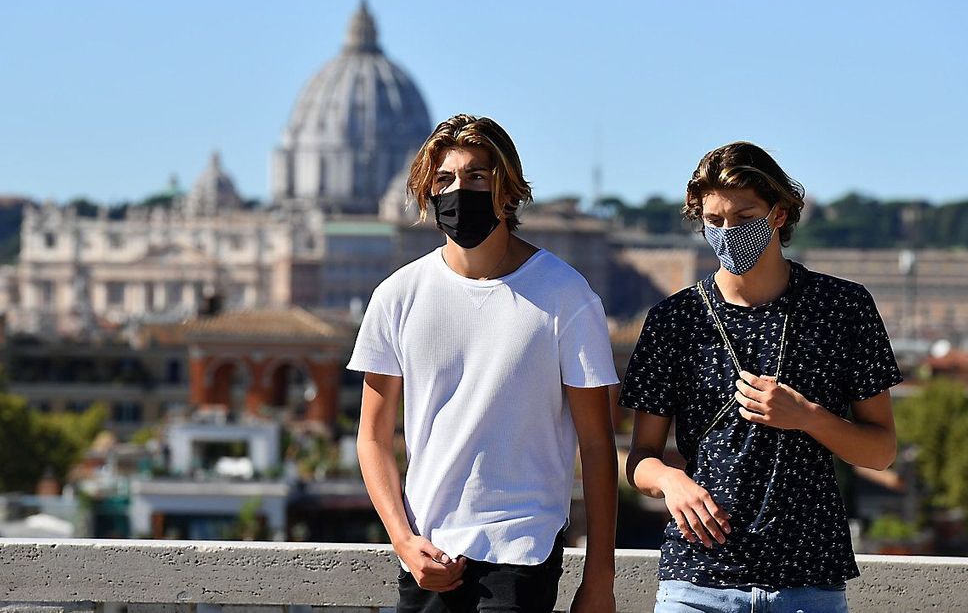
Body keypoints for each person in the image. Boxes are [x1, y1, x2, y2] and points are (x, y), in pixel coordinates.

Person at [350, 114, 618, 613]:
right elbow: (371, 435)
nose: (459, 190)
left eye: (477, 176)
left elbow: (598, 444)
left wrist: (600, 579)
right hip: (427, 551)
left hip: (523, 549)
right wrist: (403, 541)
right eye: (445, 179)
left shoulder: (566, 295)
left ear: (507, 187)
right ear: (427, 191)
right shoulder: (396, 296)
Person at [619, 142, 902, 613]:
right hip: (696, 581)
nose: (729, 232)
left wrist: (808, 417)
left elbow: (882, 451)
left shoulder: (844, 308)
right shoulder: (674, 320)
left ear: (779, 213)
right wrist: (671, 481)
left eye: (744, 216)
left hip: (808, 583)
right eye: (714, 221)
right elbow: (640, 459)